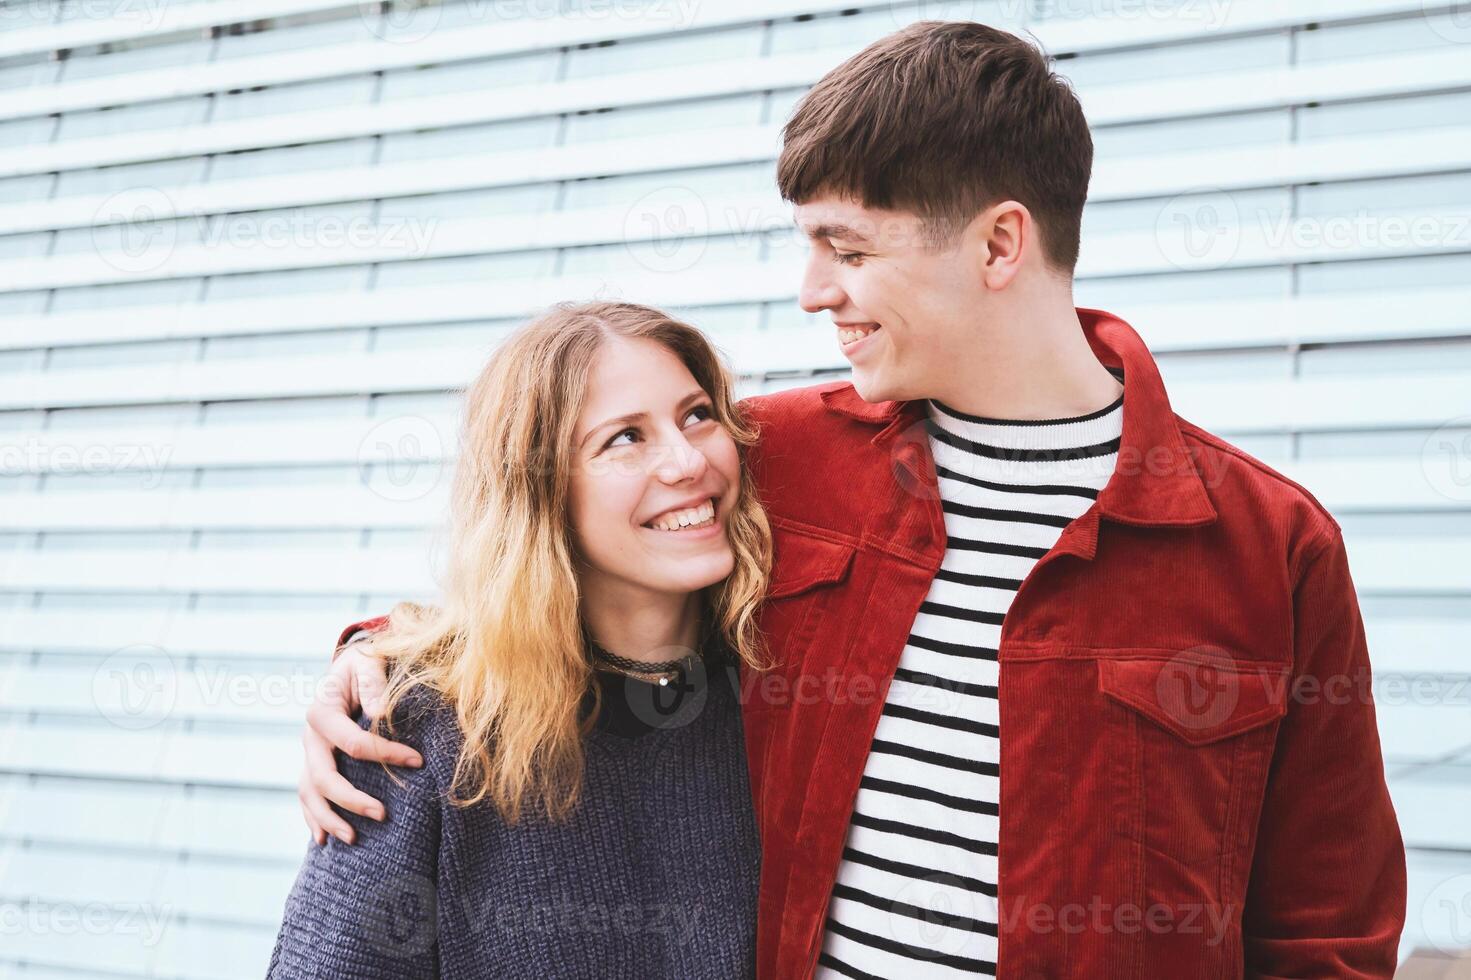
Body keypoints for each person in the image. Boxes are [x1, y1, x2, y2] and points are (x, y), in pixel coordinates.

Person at [298, 21, 1407, 979]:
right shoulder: (766, 460)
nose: (813, 289)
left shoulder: (1269, 545)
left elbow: (1327, 934)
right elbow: (565, 551)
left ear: (999, 244)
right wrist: (378, 663)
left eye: (848, 247)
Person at [269, 301, 771, 977]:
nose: (686, 461)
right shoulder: (418, 725)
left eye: (697, 414)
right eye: (624, 437)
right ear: (538, 491)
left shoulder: (785, 690)